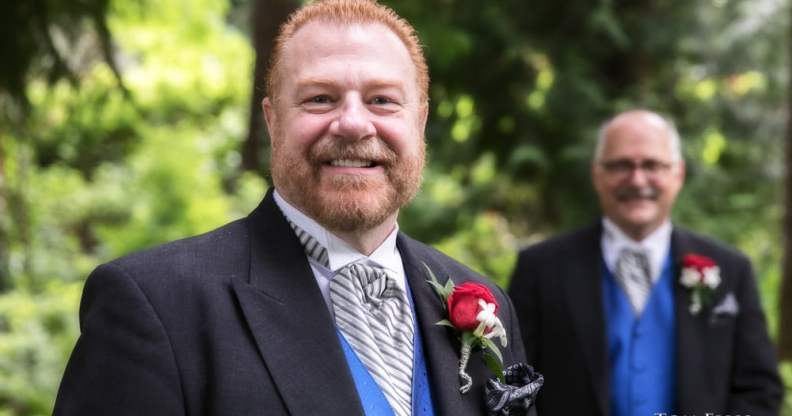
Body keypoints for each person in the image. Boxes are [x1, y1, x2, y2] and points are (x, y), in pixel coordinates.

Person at [54, 1, 536, 415]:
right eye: (320, 99)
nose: (353, 123)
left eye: (382, 100)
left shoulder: (488, 307)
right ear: (273, 121)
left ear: (420, 121)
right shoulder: (155, 305)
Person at [508, 109, 783, 416]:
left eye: (652, 165)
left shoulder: (731, 270)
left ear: (678, 174)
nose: (637, 180)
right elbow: (515, 385)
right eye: (621, 165)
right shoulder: (541, 268)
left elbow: (759, 390)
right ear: (597, 175)